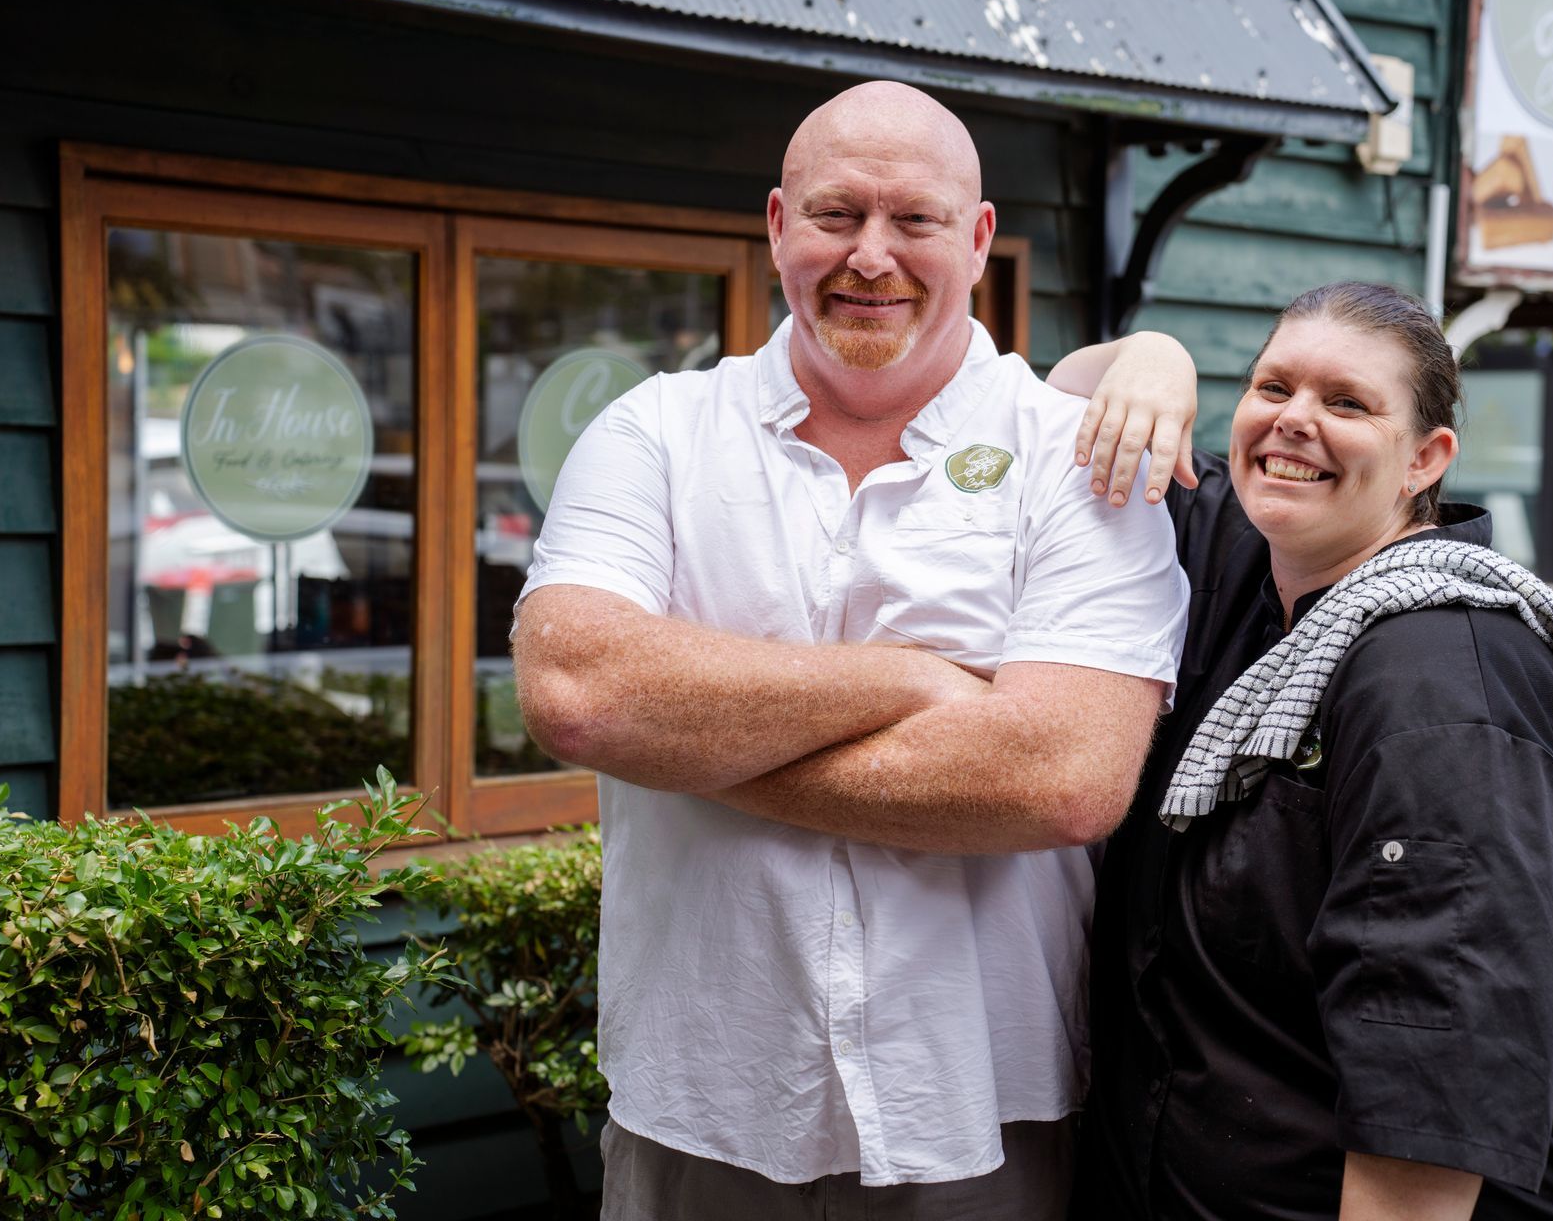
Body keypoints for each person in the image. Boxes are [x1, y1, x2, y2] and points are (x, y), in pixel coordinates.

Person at [509, 80, 1189, 1220]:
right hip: (704, 1101)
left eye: (914, 220)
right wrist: (920, 683)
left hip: (983, 1110)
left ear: (976, 240)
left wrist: (697, 740)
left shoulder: (1081, 456)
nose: (872, 255)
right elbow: (580, 689)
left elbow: (1064, 776)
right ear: (778, 225)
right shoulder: (656, 433)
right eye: (836, 215)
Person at [1054, 281, 1553, 1219]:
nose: (1294, 424)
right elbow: (1068, 404)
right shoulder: (1254, 566)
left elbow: (1434, 1085)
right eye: (1273, 388)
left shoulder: (1442, 686)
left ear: (1424, 460)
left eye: (1348, 403)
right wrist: (1151, 356)